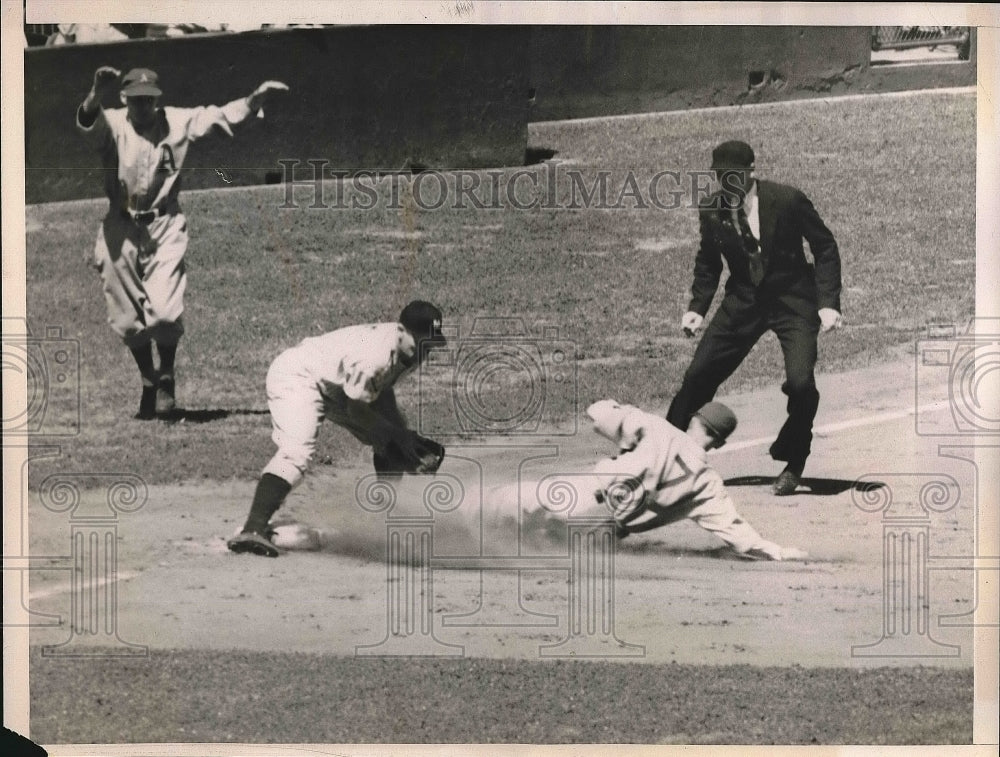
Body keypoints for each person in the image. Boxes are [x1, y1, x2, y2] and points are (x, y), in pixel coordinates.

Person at [76, 66, 289, 419]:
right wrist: (96, 92)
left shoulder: (177, 121)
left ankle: (167, 376)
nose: (144, 106)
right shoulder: (112, 123)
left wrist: (255, 99)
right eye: (137, 99)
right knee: (128, 321)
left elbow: (221, 118)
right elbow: (87, 124)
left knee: (163, 313)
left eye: (150, 99)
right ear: (124, 99)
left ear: (158, 100)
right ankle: (148, 381)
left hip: (164, 225)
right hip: (120, 227)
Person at [666, 140, 843, 495]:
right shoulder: (712, 208)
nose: (727, 183)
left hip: (794, 300)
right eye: (720, 177)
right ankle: (665, 457)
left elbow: (825, 246)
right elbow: (708, 262)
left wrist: (828, 303)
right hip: (744, 300)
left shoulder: (788, 200)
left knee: (801, 384)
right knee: (698, 374)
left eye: (734, 175)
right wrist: (696, 308)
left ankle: (794, 462)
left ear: (750, 172)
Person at [227, 301, 449, 557]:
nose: (425, 350)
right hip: (298, 378)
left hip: (335, 385)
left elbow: (379, 388)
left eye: (430, 344)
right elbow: (357, 409)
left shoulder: (406, 349)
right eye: (420, 341)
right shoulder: (375, 356)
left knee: (393, 441)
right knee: (297, 452)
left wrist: (397, 435)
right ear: (400, 330)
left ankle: (387, 522)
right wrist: (397, 434)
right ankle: (252, 529)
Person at [581, 399, 807, 560]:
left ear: (693, 421)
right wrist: (779, 552)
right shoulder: (707, 486)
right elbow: (739, 535)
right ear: (719, 443)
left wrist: (608, 409)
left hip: (583, 496)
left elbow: (602, 413)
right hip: (604, 531)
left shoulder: (657, 427)